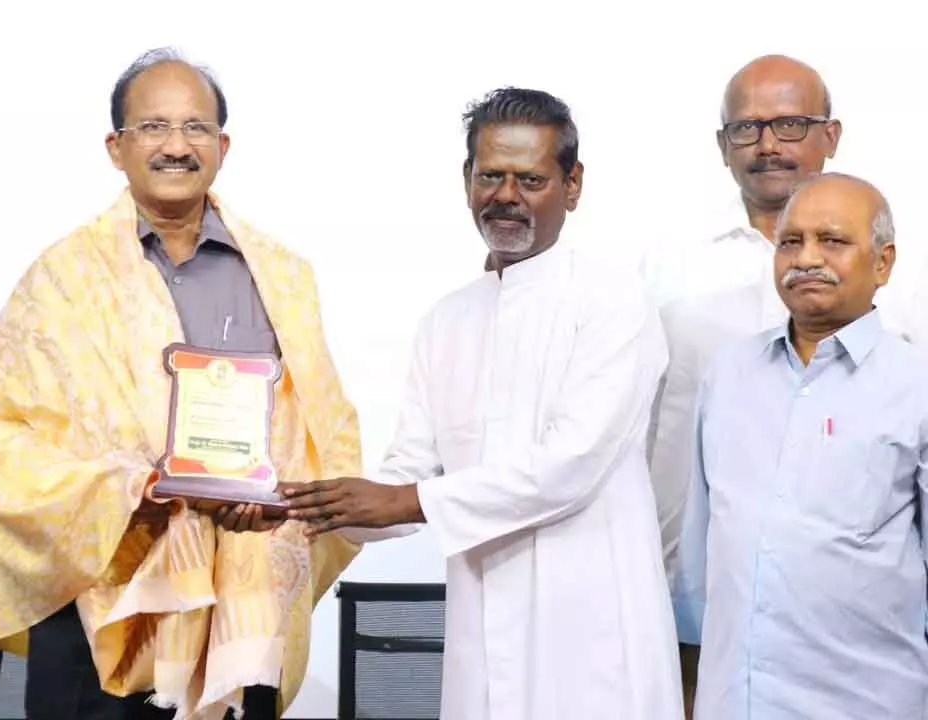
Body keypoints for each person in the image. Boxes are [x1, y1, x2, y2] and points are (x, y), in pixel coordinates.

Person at [0, 48, 362, 720]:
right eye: (154, 128)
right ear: (117, 147)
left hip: (241, 605)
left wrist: (275, 497)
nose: (177, 146)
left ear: (223, 146)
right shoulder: (61, 279)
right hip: (101, 612)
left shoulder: (284, 278)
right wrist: (123, 490)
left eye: (196, 128)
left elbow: (326, 433)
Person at [281, 87, 685, 720]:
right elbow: (405, 476)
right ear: (466, 180)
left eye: (531, 179)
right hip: (482, 632)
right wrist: (304, 502)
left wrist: (403, 499)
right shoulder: (448, 321)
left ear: (572, 186)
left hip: (591, 636)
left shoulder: (613, 301)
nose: (506, 195)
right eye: (490, 175)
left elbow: (568, 467)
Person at [672, 172, 928, 718]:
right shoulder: (730, 374)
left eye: (832, 241)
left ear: (883, 262)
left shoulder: (915, 389)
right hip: (733, 699)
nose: (806, 258)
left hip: (866, 702)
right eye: (791, 241)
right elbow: (700, 548)